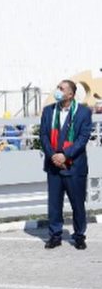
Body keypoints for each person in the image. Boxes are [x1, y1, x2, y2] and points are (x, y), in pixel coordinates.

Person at [40, 79, 93, 250]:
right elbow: (43, 136)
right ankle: (55, 235)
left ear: (70, 94)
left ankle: (79, 236)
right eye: (58, 87)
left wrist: (65, 155)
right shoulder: (49, 111)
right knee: (54, 204)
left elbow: (83, 138)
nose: (57, 90)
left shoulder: (83, 112)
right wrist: (53, 155)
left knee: (77, 203)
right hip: (53, 165)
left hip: (74, 166)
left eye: (61, 88)